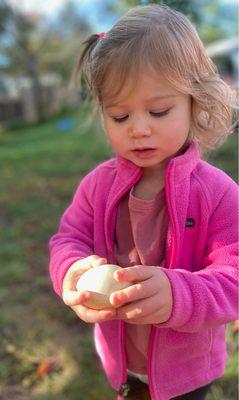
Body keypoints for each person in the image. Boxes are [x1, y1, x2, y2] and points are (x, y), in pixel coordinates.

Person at [49, 4, 238, 400]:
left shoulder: (217, 193)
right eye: (119, 116)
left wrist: (177, 295)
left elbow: (234, 276)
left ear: (194, 101)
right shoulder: (96, 187)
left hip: (187, 375)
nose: (138, 129)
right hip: (121, 363)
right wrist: (71, 271)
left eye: (158, 111)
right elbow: (68, 239)